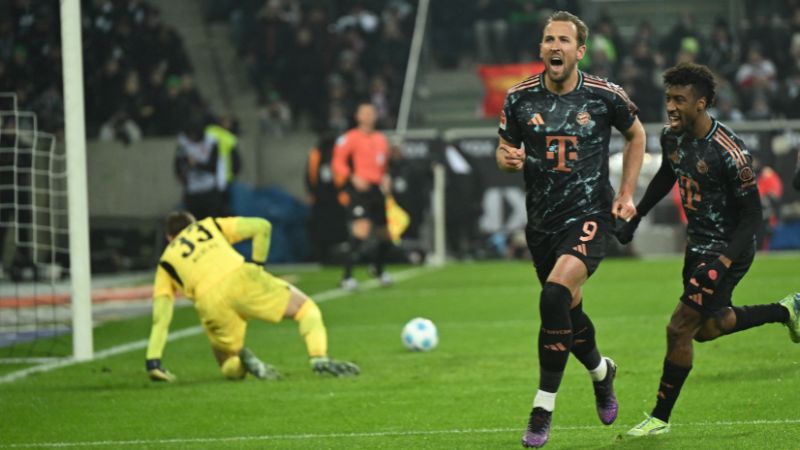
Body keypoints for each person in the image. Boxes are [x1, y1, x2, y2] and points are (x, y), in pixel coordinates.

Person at [616, 62, 799, 437]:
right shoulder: (673, 137)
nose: (670, 106)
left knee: (678, 328)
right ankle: (786, 310)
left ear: (701, 103)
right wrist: (637, 215)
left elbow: (753, 218)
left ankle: (659, 419)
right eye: (669, 98)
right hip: (698, 246)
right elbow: (669, 173)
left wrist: (722, 263)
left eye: (679, 100)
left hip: (728, 248)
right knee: (709, 328)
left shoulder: (730, 151)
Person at [495, 11, 646, 448]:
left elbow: (636, 136)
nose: (555, 46)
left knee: (555, 294)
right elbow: (505, 150)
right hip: (541, 225)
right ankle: (602, 372)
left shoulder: (604, 95)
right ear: (540, 49)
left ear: (580, 51)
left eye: (564, 40)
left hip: (588, 216)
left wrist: (626, 193)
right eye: (548, 40)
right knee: (568, 313)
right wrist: (506, 158)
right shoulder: (519, 98)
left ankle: (543, 409)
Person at [145, 211, 359, 382]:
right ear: (194, 223)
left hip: (208, 302)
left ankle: (242, 363)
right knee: (305, 309)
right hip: (241, 278)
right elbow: (261, 226)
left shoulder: (166, 262)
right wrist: (258, 266)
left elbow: (160, 318)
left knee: (227, 360)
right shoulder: (210, 226)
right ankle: (318, 357)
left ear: (169, 237)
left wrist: (153, 362)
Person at [331, 102, 393, 290]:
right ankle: (347, 276)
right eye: (364, 113)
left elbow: (384, 165)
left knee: (385, 235)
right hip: (359, 191)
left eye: (371, 113)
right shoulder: (350, 138)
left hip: (376, 189)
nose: (368, 116)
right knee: (362, 230)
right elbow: (337, 162)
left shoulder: (381, 139)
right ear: (358, 116)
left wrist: (386, 178)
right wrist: (352, 177)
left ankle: (378, 268)